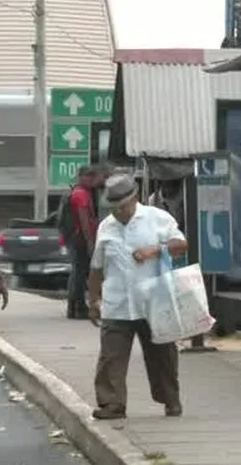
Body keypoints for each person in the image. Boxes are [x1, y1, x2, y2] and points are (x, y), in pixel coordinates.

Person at [88, 174, 189, 420]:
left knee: (162, 356)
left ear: (134, 199)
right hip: (117, 302)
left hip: (153, 301)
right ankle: (112, 404)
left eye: (122, 206)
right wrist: (93, 300)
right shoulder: (106, 227)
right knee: (111, 358)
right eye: (113, 208)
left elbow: (181, 245)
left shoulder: (157, 219)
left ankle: (170, 400)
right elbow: (97, 267)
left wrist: (155, 250)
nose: (118, 212)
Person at [66, 164, 108, 319]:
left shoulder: (79, 192)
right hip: (81, 239)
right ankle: (78, 307)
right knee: (82, 272)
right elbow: (84, 219)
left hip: (79, 238)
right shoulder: (81, 194)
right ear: (84, 177)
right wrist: (90, 241)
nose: (94, 181)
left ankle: (74, 307)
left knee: (79, 272)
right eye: (91, 177)